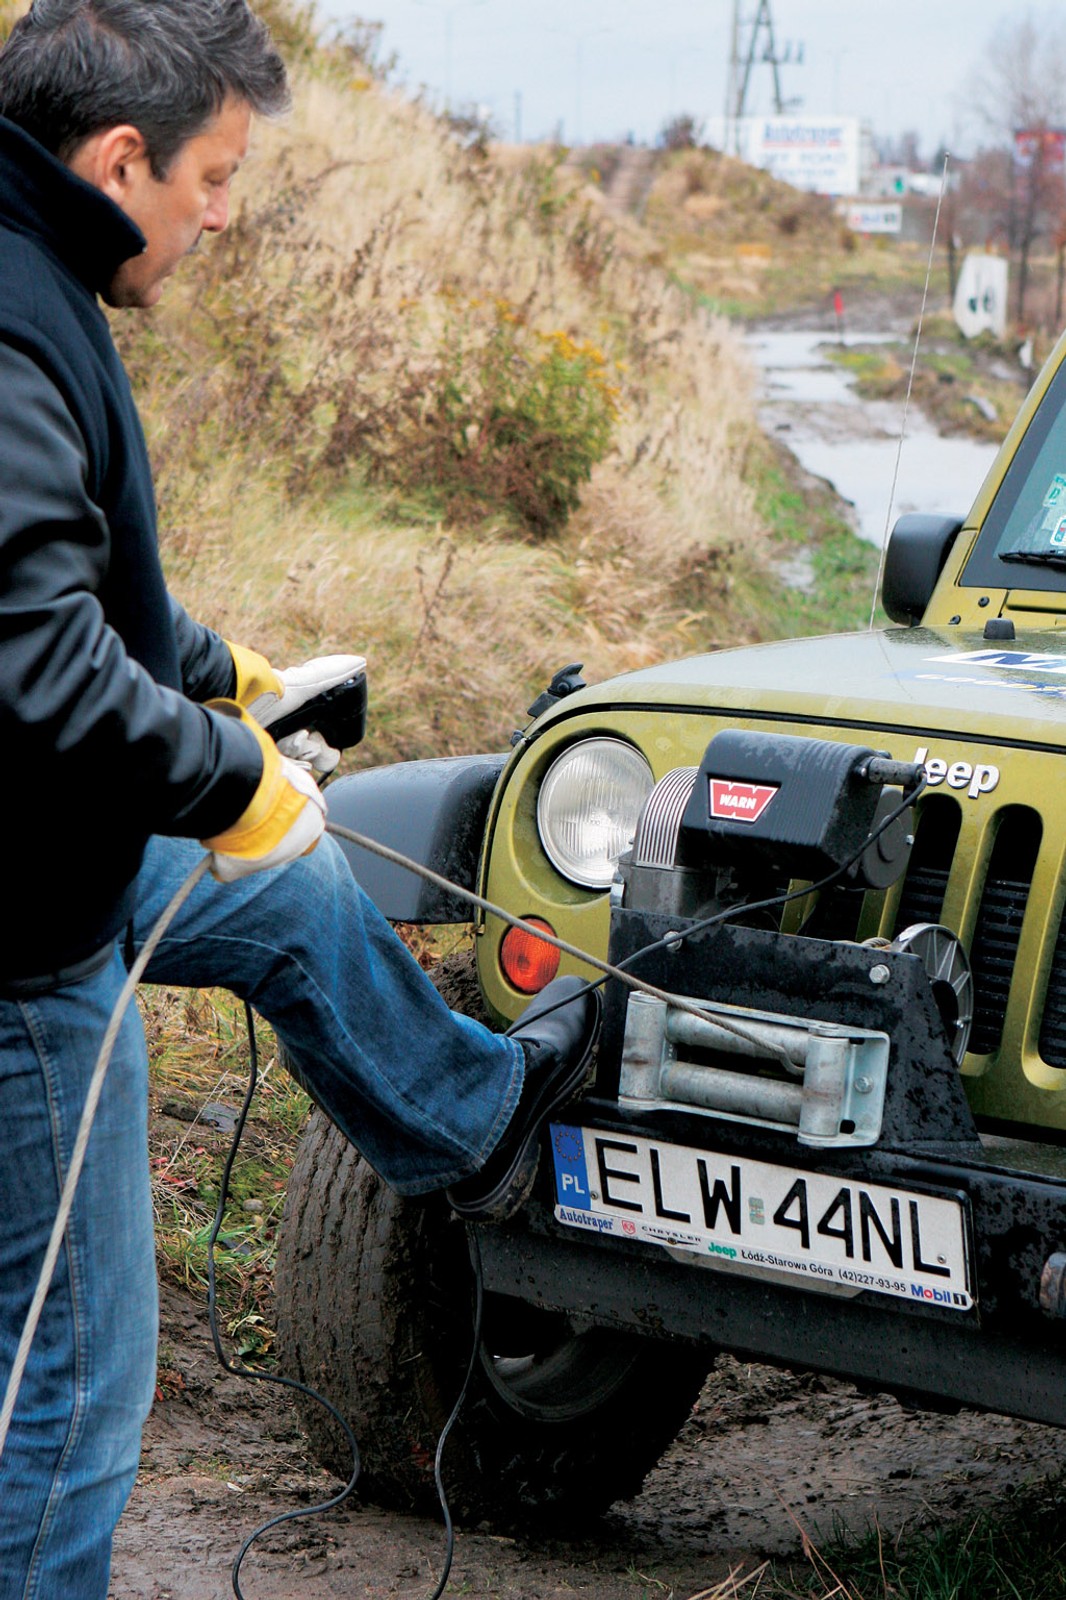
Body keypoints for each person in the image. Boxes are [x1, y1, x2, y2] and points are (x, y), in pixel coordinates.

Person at [0, 4, 599, 1596]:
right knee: (68, 1391)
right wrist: (227, 776)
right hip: (20, 937)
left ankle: (472, 1122)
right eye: (211, 177)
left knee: (284, 894)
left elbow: (63, 577)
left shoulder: (26, 268)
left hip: (52, 836)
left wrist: (223, 672)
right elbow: (34, 666)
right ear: (120, 157)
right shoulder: (7, 321)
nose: (219, 215)